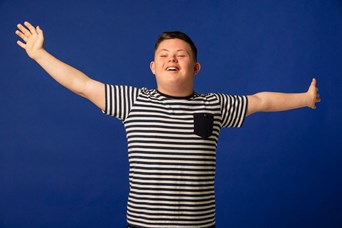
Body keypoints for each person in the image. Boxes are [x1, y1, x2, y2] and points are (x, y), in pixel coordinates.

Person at [16, 21, 320, 228]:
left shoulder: (215, 104)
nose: (171, 59)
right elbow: (82, 84)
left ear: (195, 67)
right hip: (143, 223)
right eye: (164, 55)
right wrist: (39, 54)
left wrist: (305, 98)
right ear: (153, 66)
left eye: (181, 54)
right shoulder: (131, 100)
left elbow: (261, 101)